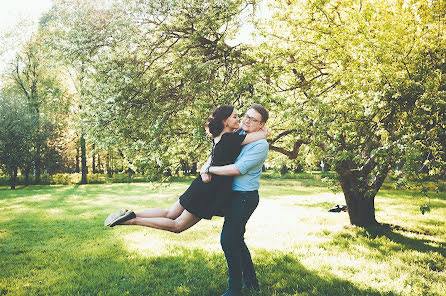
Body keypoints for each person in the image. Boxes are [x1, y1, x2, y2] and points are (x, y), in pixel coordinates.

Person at [103, 105, 270, 234]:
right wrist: (264, 130)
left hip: (201, 184)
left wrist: (206, 169)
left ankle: (130, 213)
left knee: (169, 213)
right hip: (211, 188)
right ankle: (130, 220)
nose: (240, 119)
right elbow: (261, 136)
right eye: (236, 117)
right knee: (177, 225)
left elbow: (241, 136)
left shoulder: (220, 137)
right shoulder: (231, 139)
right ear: (225, 121)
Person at [203, 104, 269, 296]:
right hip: (234, 195)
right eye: (246, 116)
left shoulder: (260, 145)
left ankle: (234, 289)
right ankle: (251, 281)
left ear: (261, 124)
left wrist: (209, 170)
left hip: (245, 198)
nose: (247, 121)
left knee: (228, 240)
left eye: (253, 119)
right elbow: (219, 154)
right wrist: (205, 166)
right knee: (237, 240)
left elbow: (237, 169)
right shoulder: (239, 135)